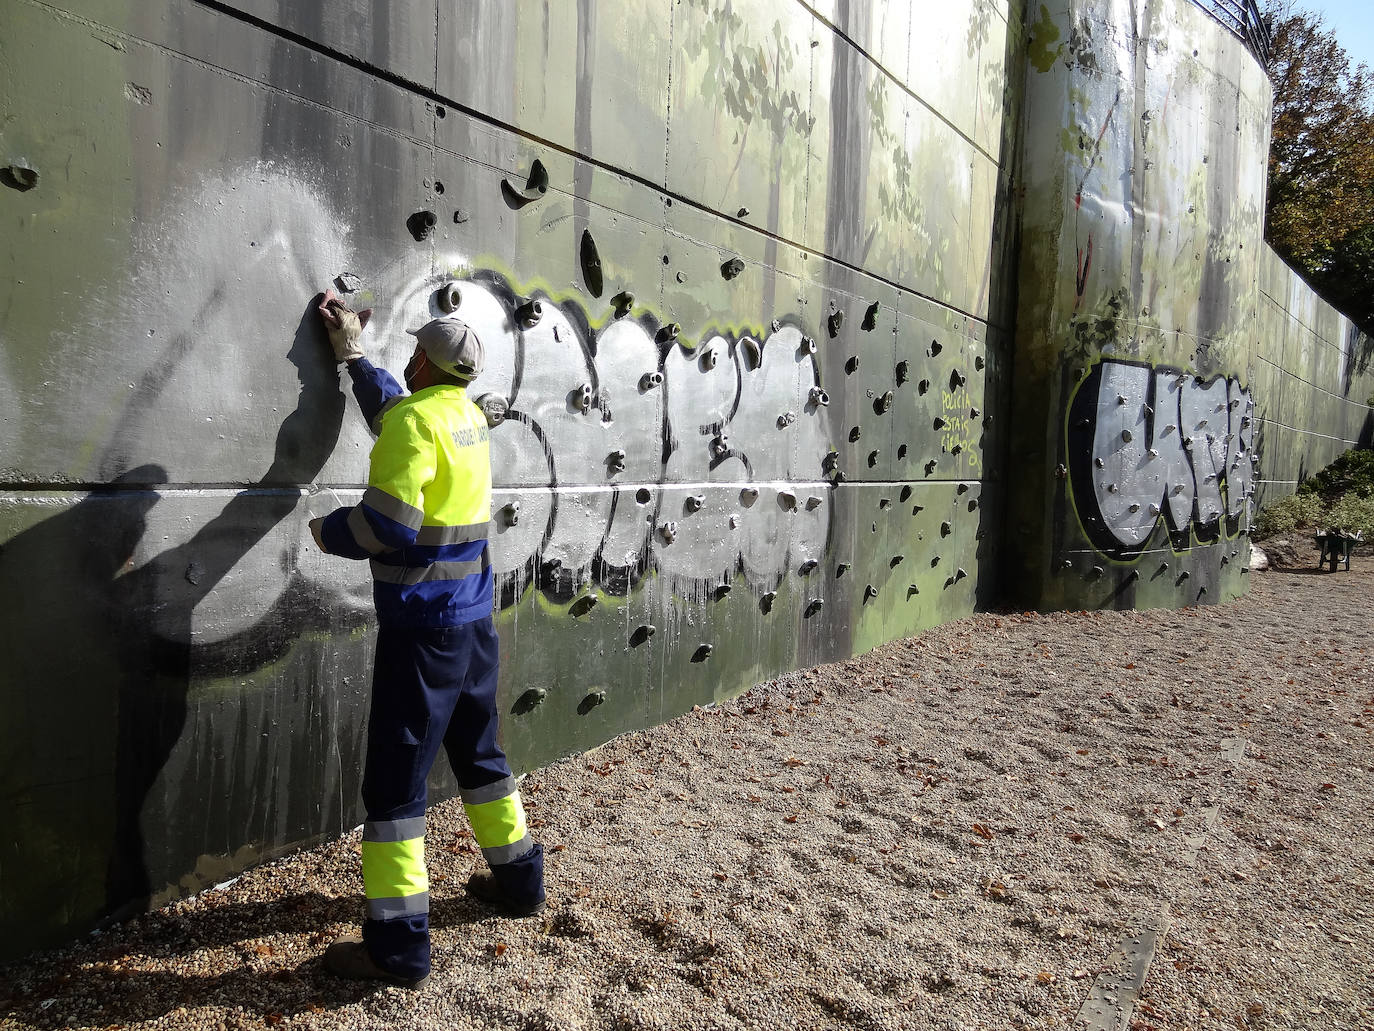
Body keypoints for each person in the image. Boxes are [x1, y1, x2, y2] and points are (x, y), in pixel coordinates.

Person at [308, 290, 545, 989]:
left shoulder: (417, 422)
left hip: (422, 634)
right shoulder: (465, 416)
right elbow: (398, 412)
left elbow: (388, 526)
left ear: (420, 358)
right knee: (482, 757)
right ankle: (521, 883)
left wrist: (327, 532)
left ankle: (398, 948)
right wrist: (353, 358)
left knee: (396, 786)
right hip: (473, 627)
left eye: (409, 353)